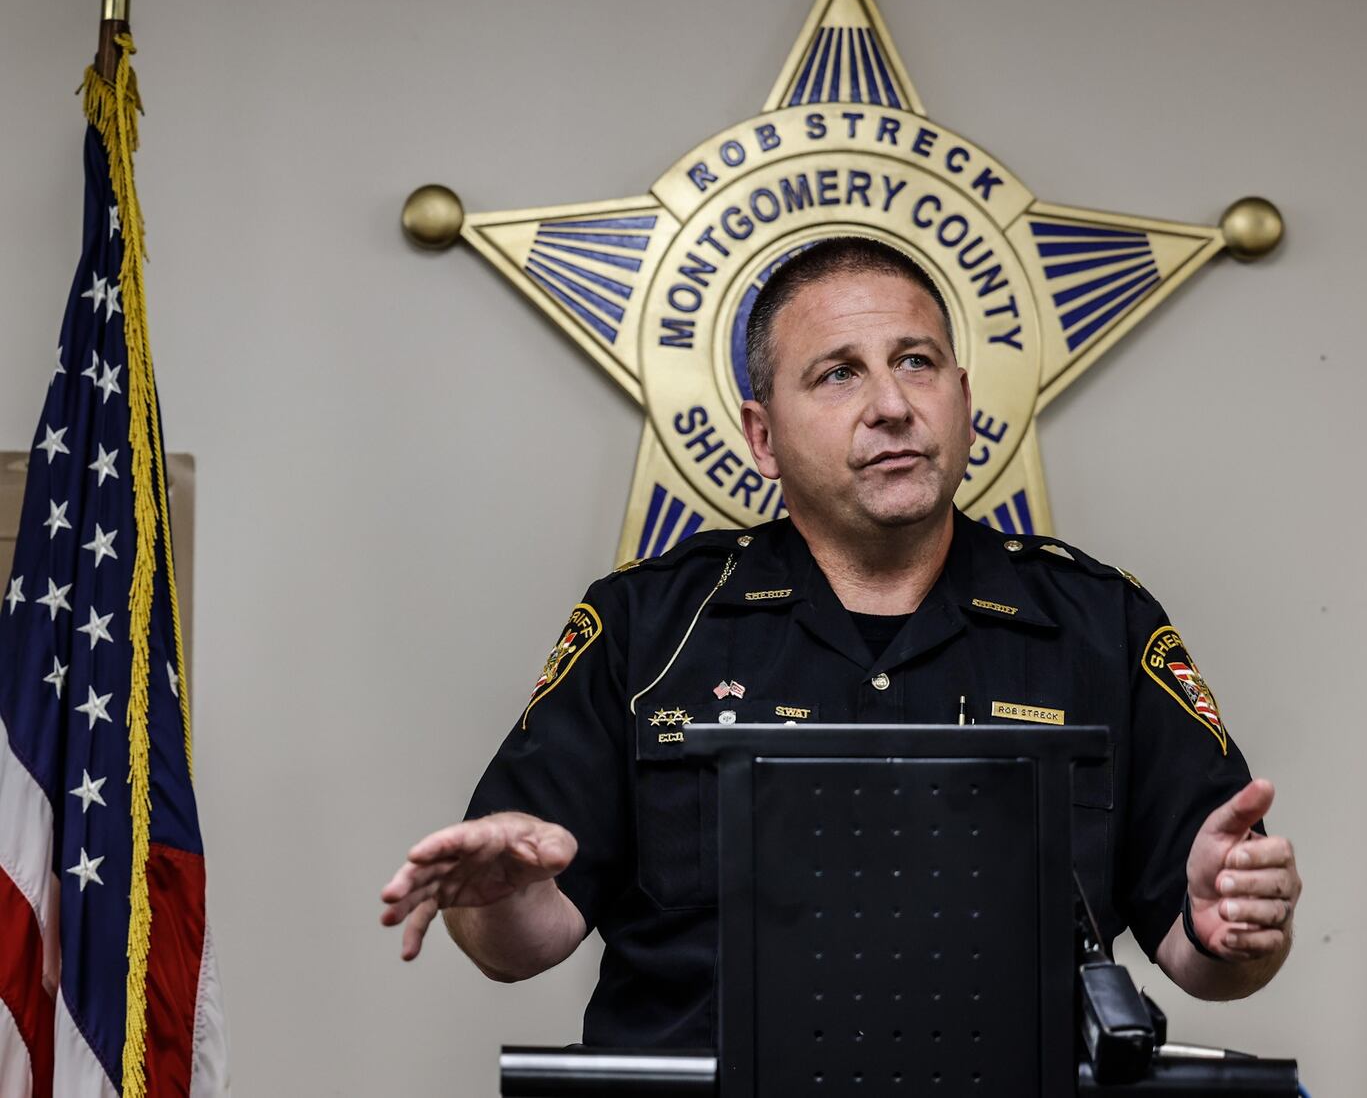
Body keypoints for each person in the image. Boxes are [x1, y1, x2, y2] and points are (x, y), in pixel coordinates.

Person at [380, 236, 1302, 1047]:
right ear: (762, 435)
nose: (892, 405)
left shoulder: (1102, 625)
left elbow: (1203, 952)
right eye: (838, 373)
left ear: (965, 399)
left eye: (917, 362)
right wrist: (498, 897)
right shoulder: (647, 628)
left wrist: (1236, 930)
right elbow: (520, 946)